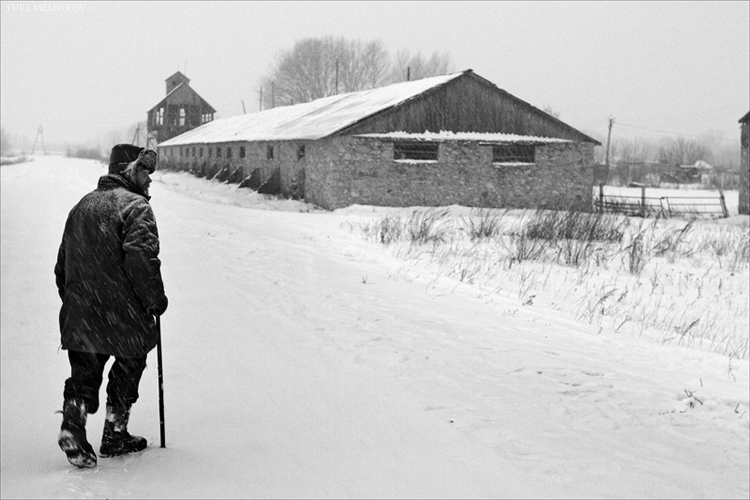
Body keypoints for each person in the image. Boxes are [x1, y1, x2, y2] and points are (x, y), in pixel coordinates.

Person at [54, 144, 168, 468]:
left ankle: (73, 427)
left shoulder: (81, 206)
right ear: (129, 170)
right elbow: (143, 262)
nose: (149, 180)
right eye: (145, 172)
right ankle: (115, 433)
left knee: (83, 376)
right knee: (130, 363)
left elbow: (61, 268)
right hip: (124, 315)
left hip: (82, 316)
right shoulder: (136, 208)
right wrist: (155, 301)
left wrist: (78, 305)